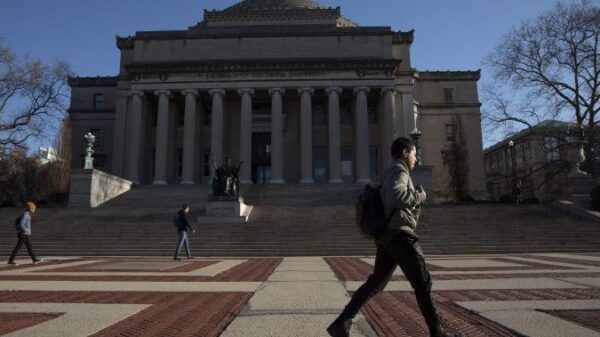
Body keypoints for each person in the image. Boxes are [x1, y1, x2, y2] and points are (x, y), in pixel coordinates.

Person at [327, 137, 464, 337]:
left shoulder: (392, 172)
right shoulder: (400, 171)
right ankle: (437, 332)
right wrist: (420, 197)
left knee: (375, 283)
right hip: (401, 236)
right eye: (415, 154)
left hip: (388, 238)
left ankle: (342, 322)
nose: (416, 159)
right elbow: (396, 196)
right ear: (405, 152)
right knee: (422, 283)